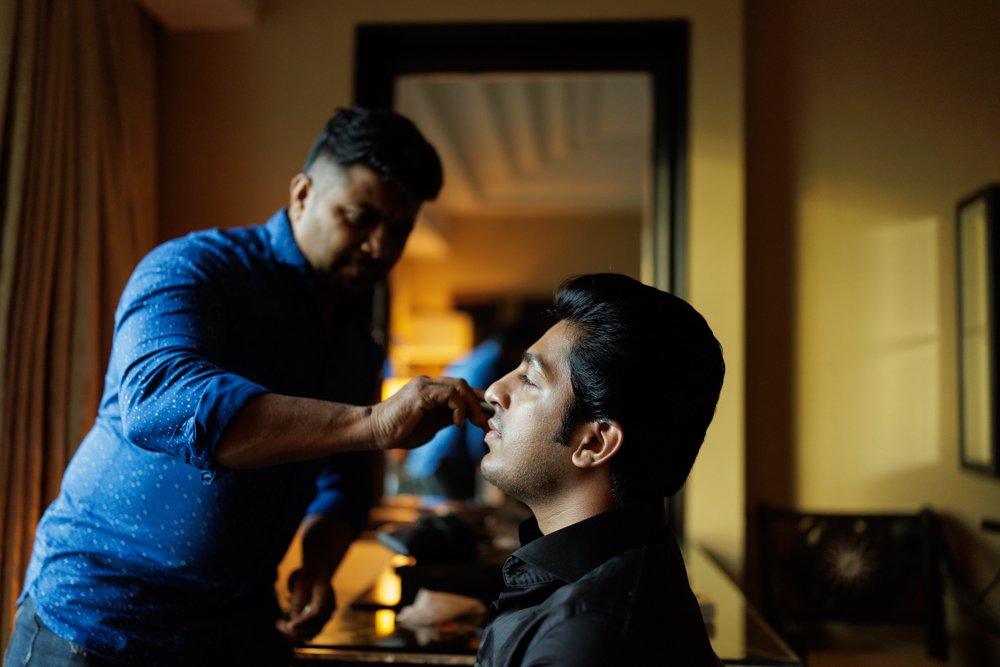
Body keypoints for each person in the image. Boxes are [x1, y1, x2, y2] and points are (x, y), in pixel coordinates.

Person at [4, 107, 488, 667]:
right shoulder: (193, 268)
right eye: (360, 217)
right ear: (302, 195)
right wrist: (373, 422)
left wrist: (318, 565)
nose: (380, 246)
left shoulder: (358, 344)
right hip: (97, 618)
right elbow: (160, 401)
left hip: (233, 629)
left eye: (398, 230)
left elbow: (345, 482)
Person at [474, 273, 726, 667]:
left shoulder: (586, 638)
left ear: (594, 443)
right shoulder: (626, 572)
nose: (493, 391)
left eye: (529, 379)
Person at [401, 314, 550, 500]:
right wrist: (487, 458)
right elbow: (477, 418)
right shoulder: (490, 366)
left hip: (424, 457)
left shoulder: (473, 357)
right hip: (445, 462)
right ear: (519, 346)